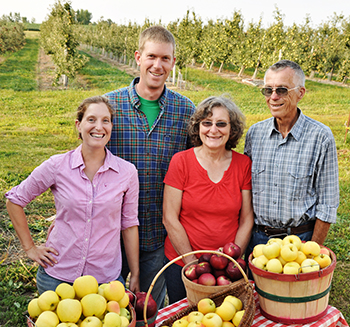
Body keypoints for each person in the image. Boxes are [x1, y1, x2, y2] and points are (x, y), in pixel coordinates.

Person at [5, 96, 140, 295]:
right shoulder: (57, 166)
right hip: (57, 277)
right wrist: (30, 248)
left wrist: (135, 272)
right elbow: (15, 200)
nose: (99, 127)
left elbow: (129, 225)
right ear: (79, 125)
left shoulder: (127, 173)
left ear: (111, 126)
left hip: (104, 282)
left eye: (105, 120)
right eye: (91, 119)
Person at [104, 25, 195, 308]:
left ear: (173, 63)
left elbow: (193, 169)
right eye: (152, 56)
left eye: (165, 58)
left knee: (150, 309)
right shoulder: (110, 106)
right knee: (109, 310)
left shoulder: (185, 111)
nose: (158, 65)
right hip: (110, 232)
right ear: (138, 57)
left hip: (158, 231)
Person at [244, 60, 339, 270]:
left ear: (301, 93)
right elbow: (245, 192)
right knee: (255, 302)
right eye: (268, 90)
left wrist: (311, 252)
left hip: (300, 242)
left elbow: (328, 204)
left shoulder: (320, 137)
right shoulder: (255, 134)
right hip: (258, 241)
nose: (273, 97)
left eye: (282, 90)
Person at [162, 95, 254, 304]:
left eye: (221, 124)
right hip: (183, 264)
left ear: (232, 129)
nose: (213, 130)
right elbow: (170, 217)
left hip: (226, 271)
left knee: (228, 325)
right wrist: (191, 263)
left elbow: (246, 219)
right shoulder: (181, 161)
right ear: (198, 127)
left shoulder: (242, 164)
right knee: (185, 324)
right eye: (207, 123)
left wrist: (232, 263)